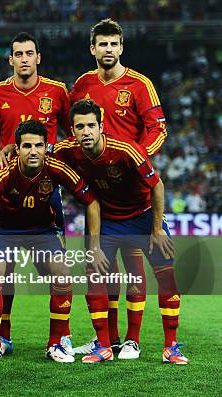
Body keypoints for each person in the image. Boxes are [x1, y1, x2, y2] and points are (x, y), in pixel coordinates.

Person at [54, 99, 187, 364]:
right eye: (80, 127)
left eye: (91, 125)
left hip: (144, 217)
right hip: (109, 221)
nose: (86, 132)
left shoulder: (127, 150)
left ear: (101, 127)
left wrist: (157, 228)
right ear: (72, 130)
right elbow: (39, 153)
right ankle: (103, 345)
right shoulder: (66, 150)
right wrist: (11, 148)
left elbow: (157, 186)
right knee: (94, 272)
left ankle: (171, 346)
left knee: (167, 277)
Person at [70, 18, 169, 359]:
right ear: (92, 48)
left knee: (137, 271)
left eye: (114, 44)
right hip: (100, 197)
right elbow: (73, 127)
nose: (108, 49)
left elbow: (158, 130)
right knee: (100, 271)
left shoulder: (140, 84)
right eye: (102, 44)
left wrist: (133, 159)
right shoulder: (82, 84)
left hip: (133, 189)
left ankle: (132, 339)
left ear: (121, 47)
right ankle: (106, 342)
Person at [0, 32, 72, 355]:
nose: (24, 58)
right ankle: (2, 339)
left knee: (59, 272)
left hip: (46, 194)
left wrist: (55, 156)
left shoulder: (57, 91)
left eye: (29, 53)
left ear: (38, 57)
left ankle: (60, 338)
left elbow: (73, 131)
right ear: (10, 59)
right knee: (2, 271)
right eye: (18, 54)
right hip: (7, 192)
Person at [0, 120, 104, 364]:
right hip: (4, 230)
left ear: (46, 147)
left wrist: (93, 246)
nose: (34, 151)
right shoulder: (2, 175)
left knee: (62, 273)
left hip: (42, 231)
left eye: (39, 145)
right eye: (27, 146)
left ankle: (56, 344)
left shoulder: (57, 168)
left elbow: (91, 200)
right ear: (17, 149)